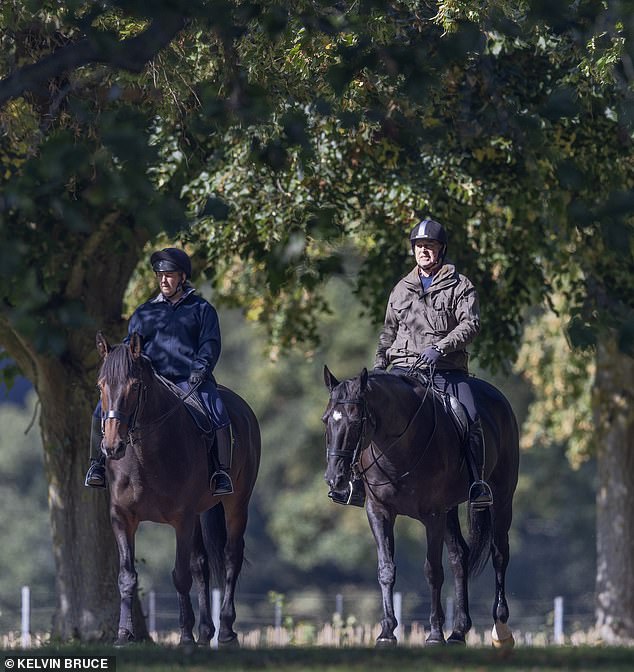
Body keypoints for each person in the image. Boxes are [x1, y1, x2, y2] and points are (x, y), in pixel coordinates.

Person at [344, 218, 493, 509]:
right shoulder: (401, 289)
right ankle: (355, 482)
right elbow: (388, 330)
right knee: (364, 414)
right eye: (419, 246)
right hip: (403, 369)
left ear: (442, 250)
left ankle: (477, 483)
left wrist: (441, 347)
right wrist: (379, 364)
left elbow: (471, 324)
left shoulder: (460, 286)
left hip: (445, 370)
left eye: (430, 246)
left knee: (471, 417)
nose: (424, 251)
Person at [84, 247, 234, 495]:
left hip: (191, 381)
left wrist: (201, 369)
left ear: (182, 278)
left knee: (218, 411)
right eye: (159, 275)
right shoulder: (144, 313)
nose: (163, 280)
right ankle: (97, 466)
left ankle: (221, 472)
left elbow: (210, 344)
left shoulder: (202, 310)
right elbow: (130, 347)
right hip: (153, 382)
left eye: (170, 275)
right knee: (100, 410)